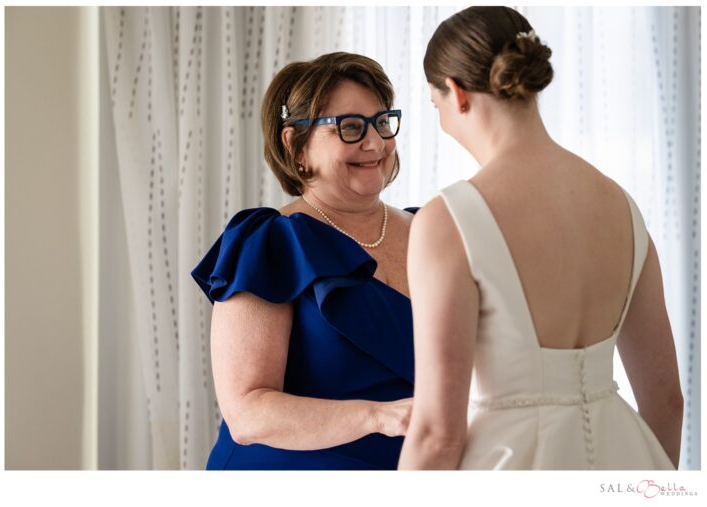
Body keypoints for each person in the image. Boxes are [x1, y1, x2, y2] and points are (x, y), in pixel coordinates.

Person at [399, 6, 682, 470]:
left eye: (436, 108)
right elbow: (667, 401)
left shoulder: (447, 220)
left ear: (456, 93)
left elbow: (436, 434)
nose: (443, 124)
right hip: (627, 462)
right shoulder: (623, 207)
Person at [191, 52, 414, 470]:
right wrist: (379, 417)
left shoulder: (432, 232)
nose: (376, 143)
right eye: (350, 127)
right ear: (296, 145)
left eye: (383, 122)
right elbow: (247, 413)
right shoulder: (268, 243)